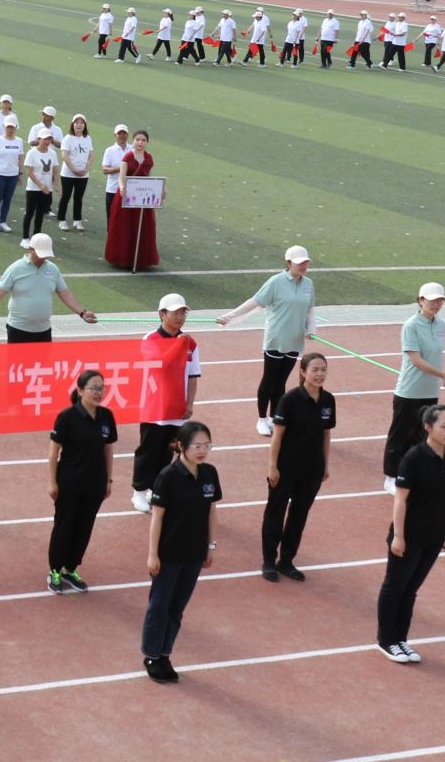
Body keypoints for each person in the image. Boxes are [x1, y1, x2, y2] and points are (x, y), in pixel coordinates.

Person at [379, 405, 445, 663]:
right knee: (395, 587)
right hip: (410, 535)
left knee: (411, 589)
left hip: (434, 536)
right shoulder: (413, 458)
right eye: (444, 427)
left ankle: (401, 639)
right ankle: (386, 640)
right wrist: (399, 536)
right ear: (428, 427)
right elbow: (400, 499)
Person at [141, 421, 221, 683]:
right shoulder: (168, 476)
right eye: (197, 446)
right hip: (169, 554)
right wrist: (152, 554)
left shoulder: (209, 473)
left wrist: (210, 546)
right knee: (159, 606)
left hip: (194, 554)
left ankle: (165, 654)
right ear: (181, 446)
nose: (202, 451)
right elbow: (157, 518)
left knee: (177, 608)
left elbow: (211, 511)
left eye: (207, 445)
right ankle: (151, 655)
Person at [216, 245, 317, 437]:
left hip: (294, 341)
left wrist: (311, 329)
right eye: (299, 263)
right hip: (275, 339)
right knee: (269, 381)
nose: (303, 266)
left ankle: (274, 417)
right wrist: (229, 317)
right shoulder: (275, 282)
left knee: (281, 382)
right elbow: (255, 302)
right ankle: (262, 419)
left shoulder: (308, 284)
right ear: (288, 263)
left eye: (306, 262)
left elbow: (310, 309)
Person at [262, 353, 335, 581]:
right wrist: (272, 466)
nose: (320, 374)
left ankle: (286, 560)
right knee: (275, 514)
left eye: (323, 369)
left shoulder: (328, 400)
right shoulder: (289, 400)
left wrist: (325, 464)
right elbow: (277, 435)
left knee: (299, 515)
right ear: (302, 372)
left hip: (312, 470)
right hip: (286, 468)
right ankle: (268, 561)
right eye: (315, 369)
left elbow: (326, 435)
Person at [127, 294, 202, 512]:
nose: (180, 317)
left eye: (183, 313)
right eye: (175, 313)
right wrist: (179, 345)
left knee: (167, 452)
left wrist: (189, 404)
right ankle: (139, 492)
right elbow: (160, 365)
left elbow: (193, 376)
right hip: (154, 407)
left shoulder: (190, 343)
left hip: (177, 409)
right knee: (148, 450)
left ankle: (155, 489)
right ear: (162, 314)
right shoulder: (151, 339)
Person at [47, 369, 117, 594]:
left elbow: (108, 450)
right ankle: (55, 570)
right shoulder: (67, 417)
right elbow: (53, 452)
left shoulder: (106, 416)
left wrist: (108, 480)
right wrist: (52, 482)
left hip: (95, 484)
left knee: (84, 527)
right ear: (79, 391)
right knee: (64, 526)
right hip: (69, 482)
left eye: (101, 388)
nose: (98, 393)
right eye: (93, 388)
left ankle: (70, 569)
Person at [384, 283, 445, 494]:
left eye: (440, 300)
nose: (436, 304)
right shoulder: (411, 326)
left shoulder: (441, 325)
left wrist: (439, 378)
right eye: (432, 300)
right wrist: (443, 376)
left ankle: (411, 475)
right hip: (409, 391)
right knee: (400, 436)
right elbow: (416, 360)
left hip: (430, 391)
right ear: (420, 300)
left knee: (421, 436)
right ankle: (391, 477)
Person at [0, 235, 99, 343]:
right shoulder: (16, 268)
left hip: (44, 331)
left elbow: (65, 293)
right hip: (18, 330)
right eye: (39, 254)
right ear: (30, 249)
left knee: (41, 368)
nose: (42, 258)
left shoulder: (53, 269)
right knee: (17, 367)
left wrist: (82, 313)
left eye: (45, 255)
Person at [104, 129, 158, 271]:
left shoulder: (148, 158)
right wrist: (122, 188)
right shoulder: (127, 157)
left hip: (142, 198)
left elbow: (149, 177)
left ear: (147, 142)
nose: (140, 142)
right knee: (125, 227)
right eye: (137, 140)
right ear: (133, 141)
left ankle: (140, 258)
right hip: (126, 197)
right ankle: (122, 258)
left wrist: (159, 190)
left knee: (141, 228)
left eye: (143, 140)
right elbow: (121, 178)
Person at [0, 114, 23, 234]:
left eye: (12, 127)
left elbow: (20, 158)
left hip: (13, 175)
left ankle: (3, 221)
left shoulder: (19, 141)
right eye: (8, 127)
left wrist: (19, 174)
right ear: (4, 127)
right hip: (0, 174)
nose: (10, 129)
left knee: (7, 199)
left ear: (16, 127)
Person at [19, 128, 58, 244]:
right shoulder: (32, 153)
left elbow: (55, 171)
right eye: (44, 139)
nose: (47, 142)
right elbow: (29, 172)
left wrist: (58, 187)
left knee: (40, 215)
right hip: (33, 189)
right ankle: (25, 238)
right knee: (29, 213)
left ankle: (36, 239)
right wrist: (41, 185)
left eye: (49, 139)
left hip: (47, 189)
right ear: (39, 139)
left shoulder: (52, 153)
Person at [56, 115, 94, 233]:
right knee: (65, 197)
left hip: (83, 174)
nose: (79, 125)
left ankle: (77, 220)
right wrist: (74, 169)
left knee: (78, 197)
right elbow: (65, 155)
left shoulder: (87, 138)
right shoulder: (68, 138)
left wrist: (86, 168)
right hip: (68, 174)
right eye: (76, 122)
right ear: (72, 124)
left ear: (85, 125)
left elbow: (91, 155)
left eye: (81, 123)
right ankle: (62, 220)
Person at [99, 123, 130, 226]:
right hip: (112, 189)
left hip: (129, 190)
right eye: (119, 133)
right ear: (115, 135)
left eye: (124, 133)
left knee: (127, 219)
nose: (122, 136)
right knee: (112, 218)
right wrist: (121, 168)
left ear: (127, 135)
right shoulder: (109, 150)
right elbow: (105, 170)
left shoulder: (132, 149)